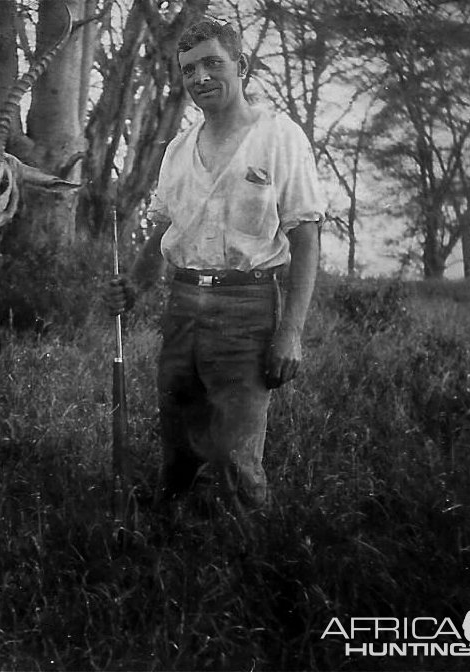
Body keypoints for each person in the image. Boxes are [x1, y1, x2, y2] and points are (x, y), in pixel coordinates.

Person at [107, 18, 323, 514]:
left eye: (212, 63)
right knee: (178, 451)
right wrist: (133, 286)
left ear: (241, 66)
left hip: (245, 312)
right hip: (182, 310)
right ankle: (168, 559)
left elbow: (306, 239)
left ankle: (257, 568)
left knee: (237, 459)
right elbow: (163, 231)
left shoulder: (278, 136)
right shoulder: (178, 150)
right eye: (188, 69)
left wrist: (290, 333)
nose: (200, 77)